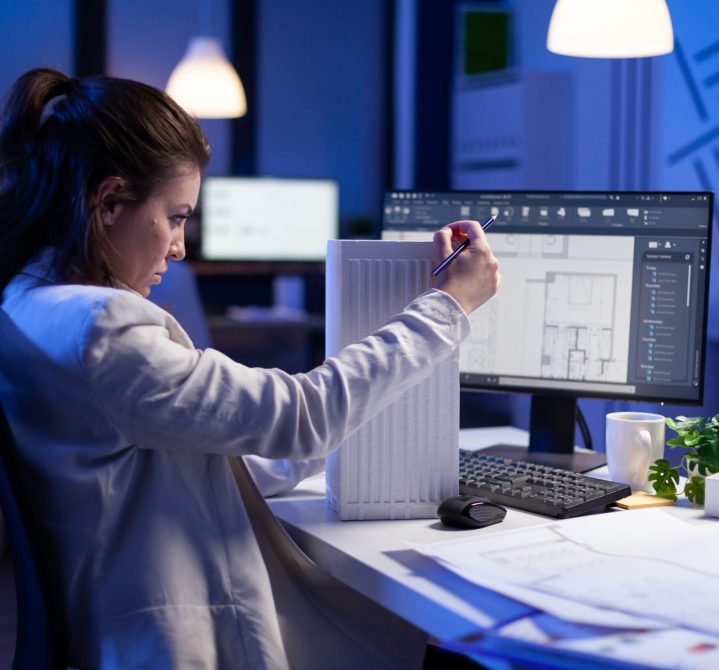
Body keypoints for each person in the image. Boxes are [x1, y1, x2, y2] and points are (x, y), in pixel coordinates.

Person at [0, 68, 501, 669]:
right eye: (177, 216)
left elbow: (193, 455)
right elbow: (303, 417)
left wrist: (332, 432)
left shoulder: (25, 302)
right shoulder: (100, 328)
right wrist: (448, 307)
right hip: (174, 639)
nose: (180, 247)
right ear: (108, 202)